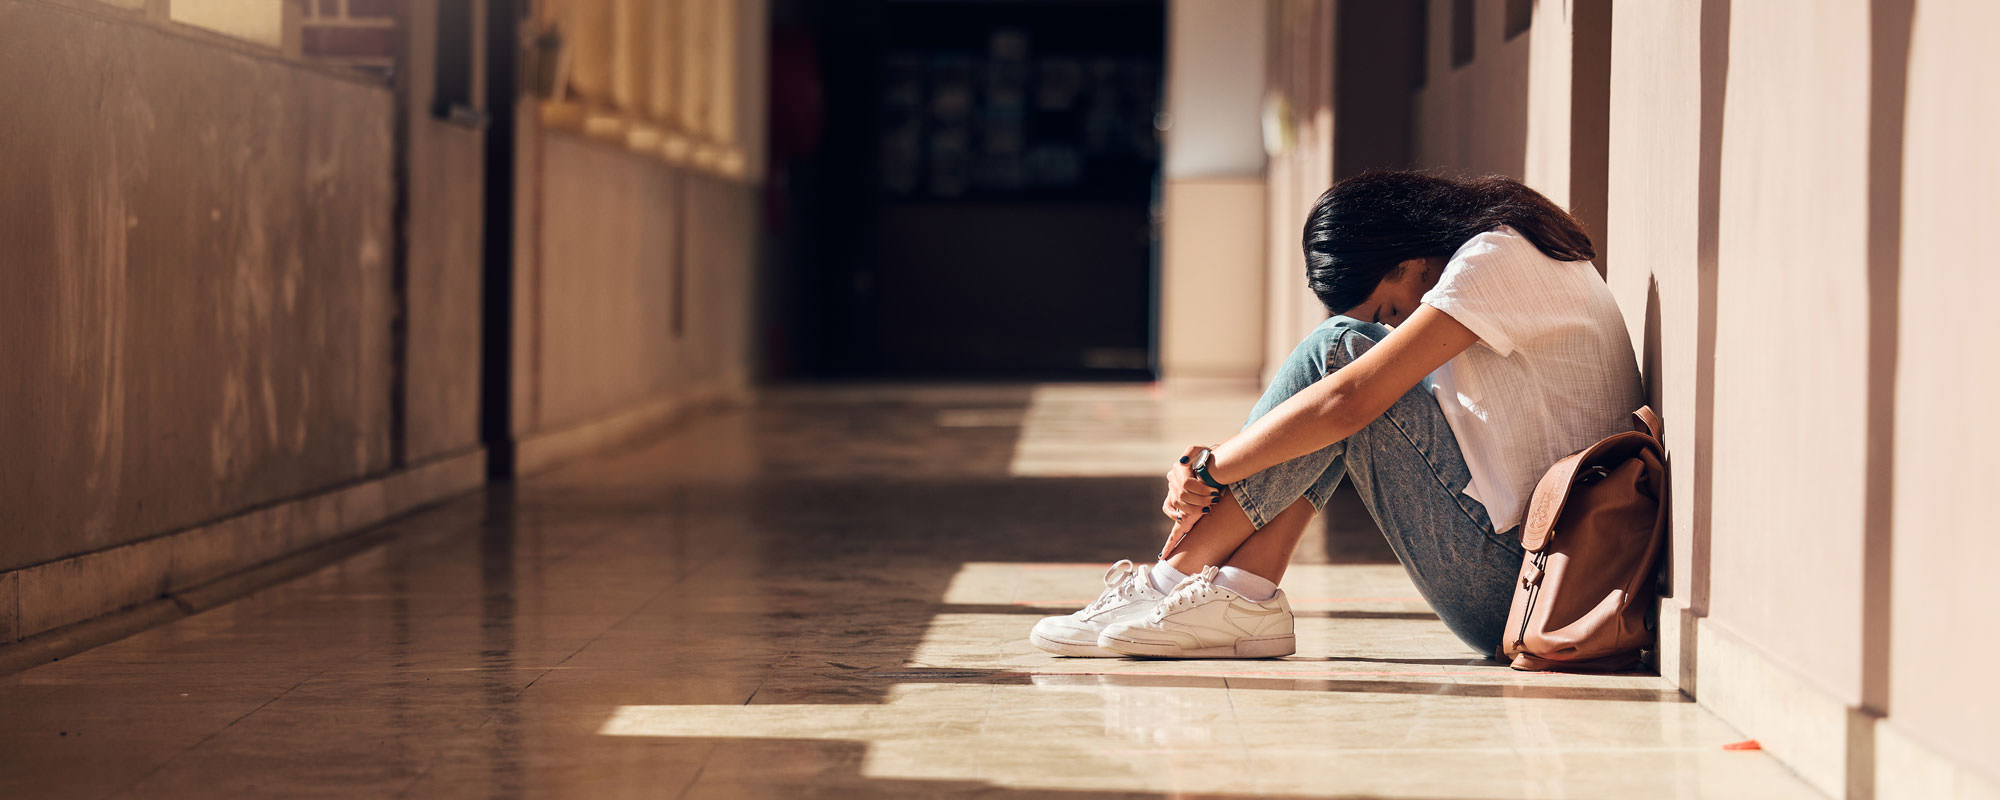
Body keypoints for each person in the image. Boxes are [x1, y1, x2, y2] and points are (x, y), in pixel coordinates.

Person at [1030, 170, 1645, 659]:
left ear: (1405, 259)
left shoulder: (1496, 258)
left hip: (1527, 586)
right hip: (1526, 578)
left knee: (1341, 358)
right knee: (1340, 383)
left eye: (1387, 305)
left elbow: (1346, 400)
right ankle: (1238, 594)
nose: (1394, 322)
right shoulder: (1513, 251)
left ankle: (1175, 582)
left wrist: (1209, 469)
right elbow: (1341, 410)